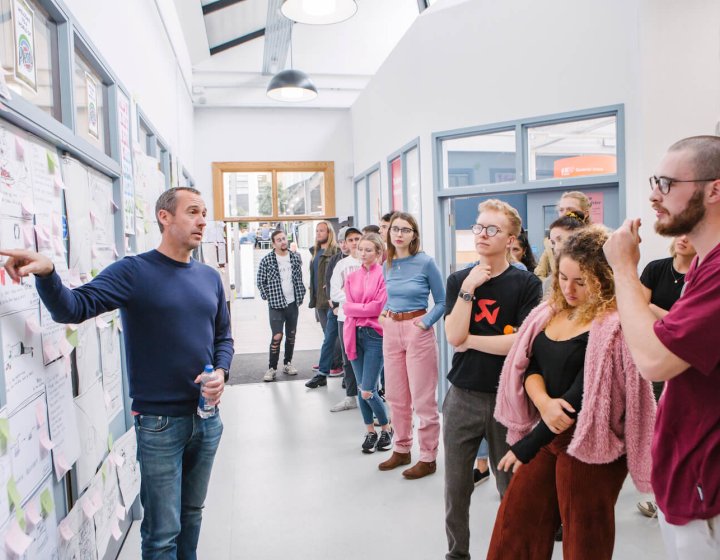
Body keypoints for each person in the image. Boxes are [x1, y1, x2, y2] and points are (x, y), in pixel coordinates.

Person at [1, 187, 233, 559]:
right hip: (160, 424)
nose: (202, 220)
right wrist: (47, 273)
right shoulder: (135, 272)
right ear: (165, 216)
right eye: (193, 212)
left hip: (207, 421)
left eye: (204, 212)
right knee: (162, 533)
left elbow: (223, 337)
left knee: (192, 515)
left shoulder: (209, 278)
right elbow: (73, 308)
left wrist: (221, 371)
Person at [489, 227, 655, 560]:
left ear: (603, 280)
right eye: (563, 277)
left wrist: (527, 445)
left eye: (581, 282)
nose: (568, 288)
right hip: (548, 432)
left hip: (593, 443)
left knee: (584, 539)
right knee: (516, 524)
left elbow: (582, 395)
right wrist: (543, 402)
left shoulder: (614, 326)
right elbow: (530, 365)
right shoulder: (548, 313)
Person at [603, 135, 720, 559]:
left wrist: (622, 269)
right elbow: (675, 331)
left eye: (667, 183)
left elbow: (654, 361)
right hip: (688, 473)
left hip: (707, 490)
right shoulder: (705, 264)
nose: (654, 195)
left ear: (714, 188)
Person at [443, 199, 542, 560]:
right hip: (462, 396)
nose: (483, 235)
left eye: (492, 230)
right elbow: (453, 336)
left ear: (511, 238)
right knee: (456, 487)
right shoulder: (459, 279)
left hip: (508, 398)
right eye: (479, 228)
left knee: (510, 486)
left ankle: (512, 552)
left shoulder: (527, 283)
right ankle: (457, 553)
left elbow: (520, 343)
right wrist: (469, 287)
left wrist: (469, 340)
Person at [377, 212, 446, 479]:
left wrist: (425, 323)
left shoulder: (426, 262)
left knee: (423, 398)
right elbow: (391, 296)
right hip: (392, 330)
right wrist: (384, 315)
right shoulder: (388, 263)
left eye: (405, 230)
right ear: (389, 233)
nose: (399, 234)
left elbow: (442, 301)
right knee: (396, 396)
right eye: (395, 229)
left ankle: (428, 457)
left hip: (418, 329)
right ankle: (402, 448)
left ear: (414, 235)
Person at [636, 235, 696, 518]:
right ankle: (659, 494)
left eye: (690, 233)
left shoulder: (700, 275)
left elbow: (689, 328)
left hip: (683, 361)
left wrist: (656, 312)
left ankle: (674, 496)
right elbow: (637, 309)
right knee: (653, 427)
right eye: (680, 233)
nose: (683, 238)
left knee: (677, 428)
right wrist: (670, 319)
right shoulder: (655, 268)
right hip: (651, 355)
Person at [343, 233, 393, 453]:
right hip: (353, 334)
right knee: (362, 386)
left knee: (368, 389)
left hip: (375, 335)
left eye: (368, 250)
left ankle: (387, 427)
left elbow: (377, 308)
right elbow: (349, 305)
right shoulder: (351, 277)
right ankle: (370, 431)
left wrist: (355, 309)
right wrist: (359, 309)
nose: (363, 253)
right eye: (360, 249)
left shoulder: (385, 275)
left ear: (379, 252)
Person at [256, 229, 306, 382]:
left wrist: (301, 294)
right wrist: (268, 297)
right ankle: (272, 368)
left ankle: (287, 363)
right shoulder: (267, 260)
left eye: (284, 238)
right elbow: (260, 281)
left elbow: (299, 278)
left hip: (293, 303)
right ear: (273, 243)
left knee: (291, 335)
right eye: (279, 240)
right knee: (277, 336)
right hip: (276, 305)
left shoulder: (295, 258)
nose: (283, 241)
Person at [329, 227, 363, 412]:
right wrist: (356, 298)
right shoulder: (342, 265)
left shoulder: (370, 263)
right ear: (345, 244)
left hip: (368, 318)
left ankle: (371, 394)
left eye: (358, 238)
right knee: (348, 357)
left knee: (369, 356)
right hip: (346, 317)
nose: (355, 242)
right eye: (350, 240)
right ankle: (351, 397)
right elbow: (334, 292)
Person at [306, 221, 341, 387]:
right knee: (327, 333)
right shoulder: (315, 252)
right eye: (317, 231)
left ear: (329, 232)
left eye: (322, 231)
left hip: (330, 299)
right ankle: (329, 363)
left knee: (332, 335)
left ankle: (335, 364)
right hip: (319, 299)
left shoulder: (335, 251)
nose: (318, 233)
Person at [535, 191, 592, 278]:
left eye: (570, 209)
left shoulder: (595, 242)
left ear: (585, 214)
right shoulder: (552, 241)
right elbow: (538, 275)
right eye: (561, 210)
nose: (564, 214)